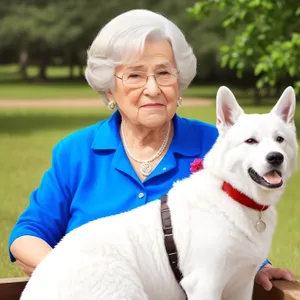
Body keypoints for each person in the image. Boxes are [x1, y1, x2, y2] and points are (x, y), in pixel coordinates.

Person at [9, 9, 296, 291]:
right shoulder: (75, 152)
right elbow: (27, 236)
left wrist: (258, 265)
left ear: (179, 83)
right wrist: (79, 274)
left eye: (164, 73)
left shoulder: (217, 145)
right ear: (109, 88)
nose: (153, 88)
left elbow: (241, 221)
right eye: (135, 75)